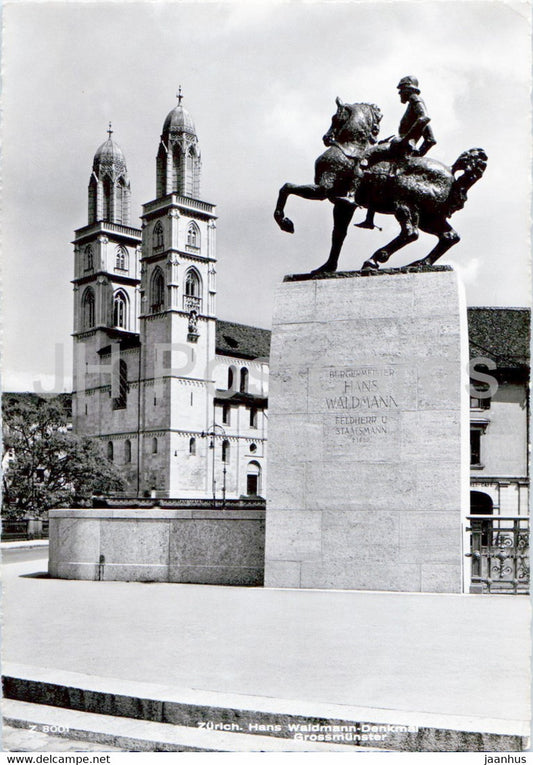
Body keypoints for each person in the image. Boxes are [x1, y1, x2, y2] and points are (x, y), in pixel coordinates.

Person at [356, 76, 436, 229]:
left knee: (367, 155)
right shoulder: (413, 110)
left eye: (401, 90)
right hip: (406, 148)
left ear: (408, 89)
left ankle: (351, 192)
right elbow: (431, 140)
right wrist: (417, 153)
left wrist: (405, 140)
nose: (400, 94)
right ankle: (369, 218)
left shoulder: (415, 100)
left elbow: (424, 118)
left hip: (402, 146)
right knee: (377, 169)